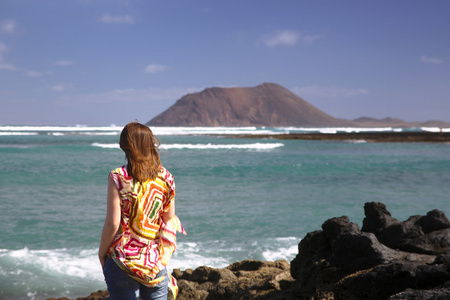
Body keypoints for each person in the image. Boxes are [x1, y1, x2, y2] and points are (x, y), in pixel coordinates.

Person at [98, 122, 186, 300]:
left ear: (125, 146)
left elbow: (113, 223)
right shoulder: (166, 177)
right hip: (155, 263)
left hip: (122, 262)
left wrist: (101, 253)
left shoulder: (118, 176)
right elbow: (169, 220)